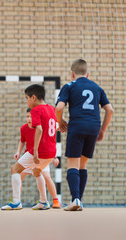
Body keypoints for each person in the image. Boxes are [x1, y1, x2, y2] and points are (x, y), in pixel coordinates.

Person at [56, 59, 113, 211]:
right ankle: (78, 200)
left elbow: (59, 106)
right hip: (93, 127)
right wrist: (102, 130)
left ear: (71, 74)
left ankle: (75, 200)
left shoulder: (69, 86)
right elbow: (110, 110)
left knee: (72, 165)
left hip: (77, 126)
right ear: (88, 74)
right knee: (83, 165)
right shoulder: (97, 88)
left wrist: (60, 121)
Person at [1, 84, 57, 210]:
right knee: (37, 171)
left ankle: (16, 201)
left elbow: (39, 129)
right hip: (52, 151)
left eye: (26, 98)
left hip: (40, 151)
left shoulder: (36, 110)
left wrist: (35, 150)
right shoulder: (51, 109)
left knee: (15, 169)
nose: (26, 101)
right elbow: (57, 124)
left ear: (33, 98)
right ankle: (43, 201)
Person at [15, 108, 61, 209]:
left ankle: (55, 200)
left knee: (47, 177)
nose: (29, 118)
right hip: (29, 157)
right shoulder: (24, 128)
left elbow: (48, 144)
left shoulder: (41, 129)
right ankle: (16, 200)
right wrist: (18, 152)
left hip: (41, 157)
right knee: (18, 176)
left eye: (31, 116)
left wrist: (54, 157)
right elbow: (22, 141)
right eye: (27, 116)